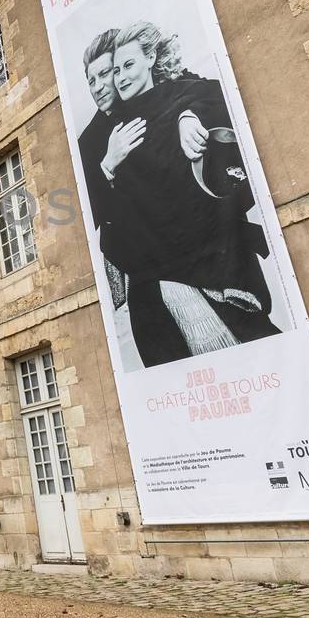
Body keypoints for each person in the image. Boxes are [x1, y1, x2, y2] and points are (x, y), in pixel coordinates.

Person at [76, 22, 276, 367]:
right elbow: (86, 212)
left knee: (247, 354)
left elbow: (205, 94)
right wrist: (107, 164)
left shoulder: (175, 94)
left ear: (146, 60)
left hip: (205, 263)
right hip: (145, 272)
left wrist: (187, 116)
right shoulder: (90, 141)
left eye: (109, 72)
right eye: (91, 80)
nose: (102, 85)